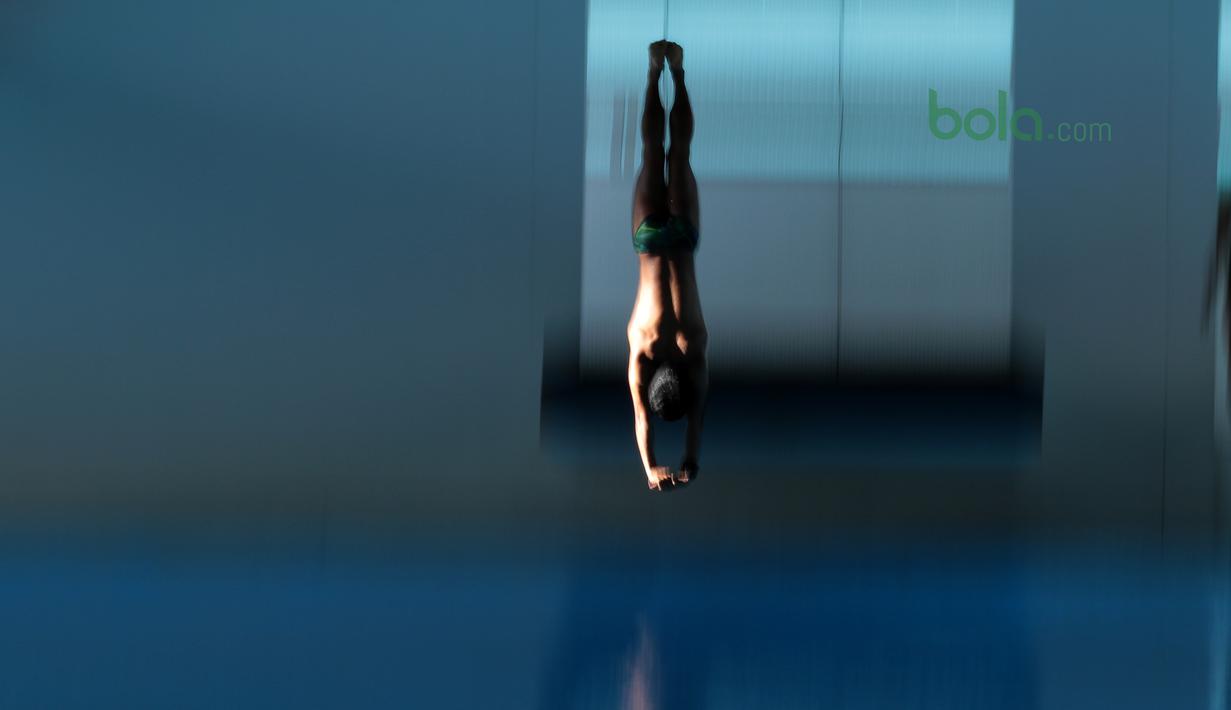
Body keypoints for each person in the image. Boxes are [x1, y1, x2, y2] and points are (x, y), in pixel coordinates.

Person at [627, 40, 708, 491]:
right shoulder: (640, 347)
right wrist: (650, 468)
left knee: (677, 153)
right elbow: (642, 418)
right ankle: (657, 73)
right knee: (653, 151)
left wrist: (689, 463)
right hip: (649, 242)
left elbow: (695, 425)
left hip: (682, 239)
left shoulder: (695, 347)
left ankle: (674, 72)